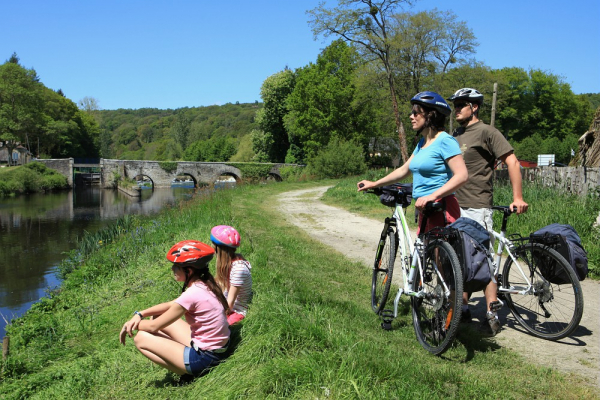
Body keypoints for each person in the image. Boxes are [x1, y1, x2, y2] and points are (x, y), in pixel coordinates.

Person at [448, 87, 529, 336]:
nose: (457, 108)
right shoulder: (456, 134)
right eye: (455, 104)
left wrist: (518, 197)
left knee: (481, 260)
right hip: (455, 206)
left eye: (462, 104)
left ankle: (492, 313)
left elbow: (512, 161)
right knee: (461, 260)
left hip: (476, 206)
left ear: (475, 107)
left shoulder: (486, 132)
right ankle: (461, 308)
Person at [358, 91, 468, 234]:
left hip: (441, 208)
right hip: (424, 207)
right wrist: (374, 183)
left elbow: (462, 175)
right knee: (422, 255)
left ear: (430, 115)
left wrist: (433, 196)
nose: (411, 116)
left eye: (416, 113)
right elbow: (404, 170)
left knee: (437, 256)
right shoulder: (422, 143)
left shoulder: (445, 141)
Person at [119, 240, 230, 380]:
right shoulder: (205, 284)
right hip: (217, 349)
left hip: (205, 359)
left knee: (140, 338)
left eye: (176, 266)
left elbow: (154, 327)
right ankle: (178, 357)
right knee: (157, 315)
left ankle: (186, 374)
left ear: (188, 270)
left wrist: (129, 325)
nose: (172, 269)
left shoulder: (193, 294)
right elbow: (171, 304)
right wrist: (140, 314)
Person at [211, 225, 253, 325]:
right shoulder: (230, 262)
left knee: (215, 325)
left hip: (236, 309)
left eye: (213, 245)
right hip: (225, 300)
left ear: (218, 248)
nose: (212, 247)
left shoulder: (238, 269)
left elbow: (230, 304)